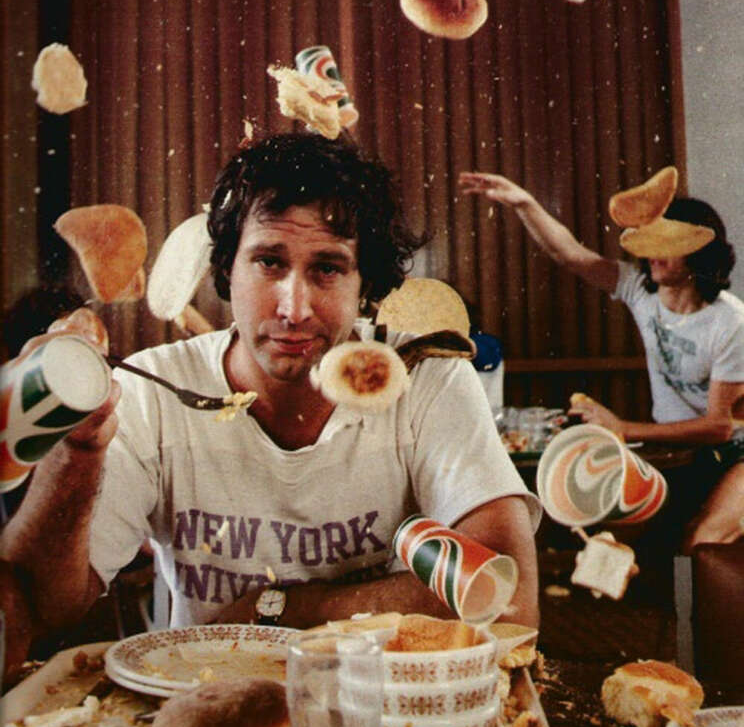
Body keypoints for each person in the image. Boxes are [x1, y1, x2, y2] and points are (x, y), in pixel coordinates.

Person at [1, 134, 540, 635]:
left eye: (327, 268)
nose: (294, 308)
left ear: (365, 284)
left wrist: (279, 608)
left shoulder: (427, 379)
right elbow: (42, 606)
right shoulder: (153, 389)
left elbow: (509, 600)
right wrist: (76, 452)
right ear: (226, 270)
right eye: (268, 261)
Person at [459, 171, 744, 551]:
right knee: (614, 541)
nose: (653, 252)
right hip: (675, 454)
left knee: (703, 540)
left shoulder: (731, 322)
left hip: (735, 455)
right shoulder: (642, 291)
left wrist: (621, 427)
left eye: (668, 242)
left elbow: (719, 427)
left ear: (699, 251)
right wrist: (522, 201)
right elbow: (570, 254)